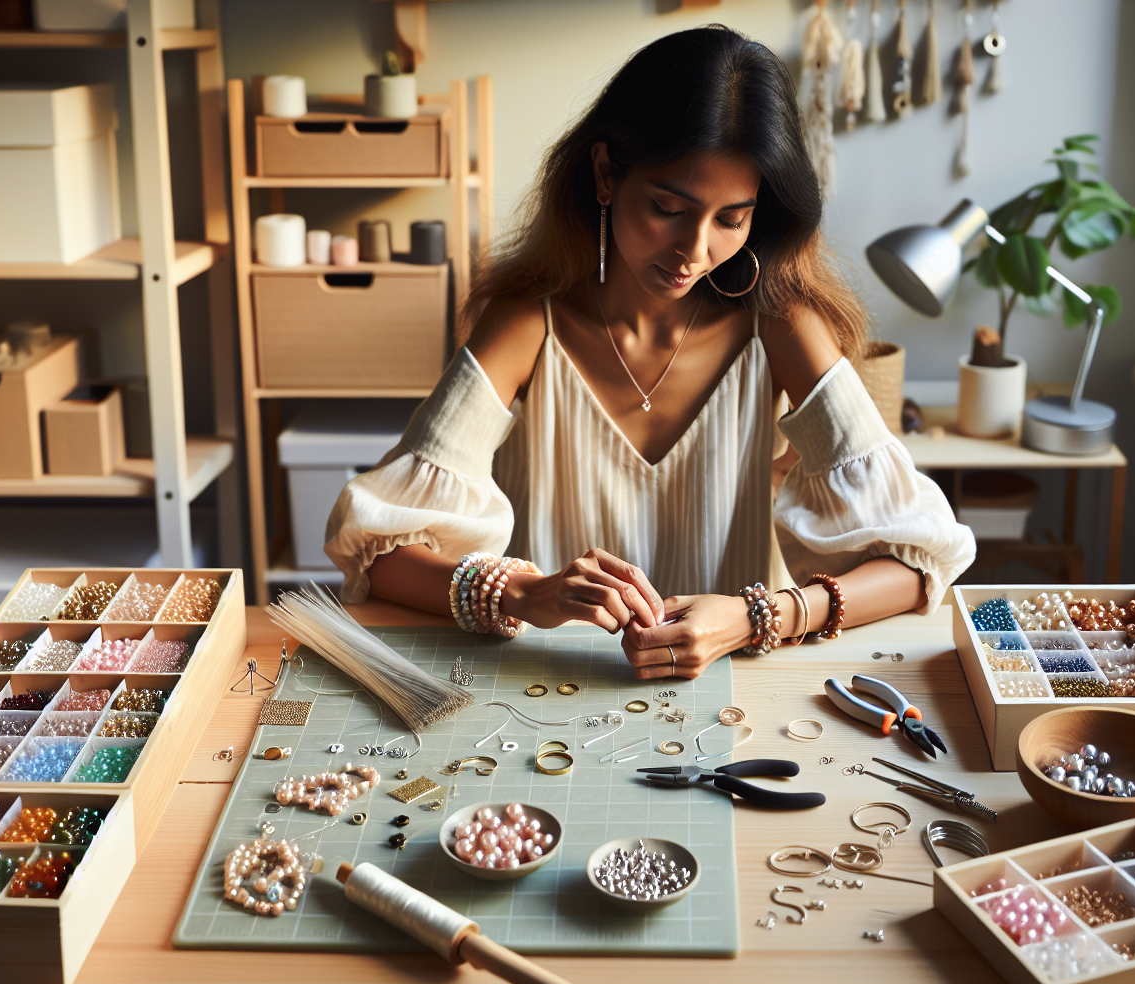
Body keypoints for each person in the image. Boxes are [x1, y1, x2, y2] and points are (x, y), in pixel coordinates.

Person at [326, 26, 974, 679]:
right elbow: (376, 556)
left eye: (730, 218)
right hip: (544, 692)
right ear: (606, 174)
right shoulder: (527, 324)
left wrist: (759, 616)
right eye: (669, 207)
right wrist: (531, 592)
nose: (694, 250)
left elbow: (919, 565)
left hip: (736, 699)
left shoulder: (781, 326)